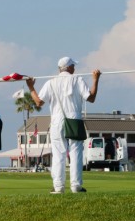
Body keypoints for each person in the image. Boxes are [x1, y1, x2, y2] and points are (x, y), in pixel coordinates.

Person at [26, 57, 101, 194]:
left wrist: (31, 87)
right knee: (76, 153)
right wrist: (95, 79)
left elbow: (38, 102)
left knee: (58, 153)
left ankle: (59, 187)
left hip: (56, 122)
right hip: (74, 120)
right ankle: (76, 186)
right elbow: (91, 98)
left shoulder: (51, 82)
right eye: (73, 66)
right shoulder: (77, 79)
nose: (75, 68)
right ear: (70, 67)